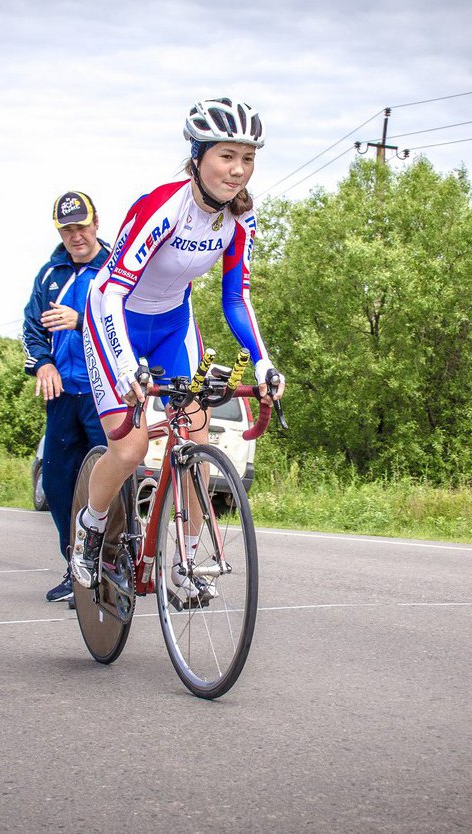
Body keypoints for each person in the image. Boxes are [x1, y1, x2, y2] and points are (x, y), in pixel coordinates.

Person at [75, 97, 285, 604]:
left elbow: (236, 297)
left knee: (194, 439)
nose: (238, 170)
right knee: (128, 448)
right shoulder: (165, 207)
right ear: (197, 156)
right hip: (116, 318)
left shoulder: (241, 217)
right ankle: (90, 527)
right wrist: (128, 370)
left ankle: (185, 562)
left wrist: (263, 361)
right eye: (226, 156)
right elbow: (112, 291)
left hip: (173, 324)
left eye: (248, 158)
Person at [22, 191, 110, 604]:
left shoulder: (113, 269)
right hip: (61, 396)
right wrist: (43, 364)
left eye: (82, 226)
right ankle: (74, 570)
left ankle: (108, 567)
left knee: (104, 484)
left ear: (96, 224)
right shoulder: (49, 274)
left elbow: (127, 323)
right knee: (59, 486)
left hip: (104, 393)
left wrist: (80, 323)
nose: (76, 236)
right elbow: (30, 328)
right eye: (67, 229)